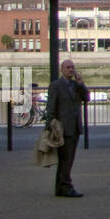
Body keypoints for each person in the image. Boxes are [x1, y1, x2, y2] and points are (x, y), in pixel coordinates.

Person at [45, 59, 89, 197]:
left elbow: (86, 98)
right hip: (62, 128)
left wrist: (82, 85)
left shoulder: (77, 85)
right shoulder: (56, 86)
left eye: (72, 67)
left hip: (75, 127)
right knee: (66, 159)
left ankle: (60, 187)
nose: (71, 69)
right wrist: (49, 127)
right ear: (62, 70)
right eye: (68, 67)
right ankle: (66, 186)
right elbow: (51, 108)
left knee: (67, 159)